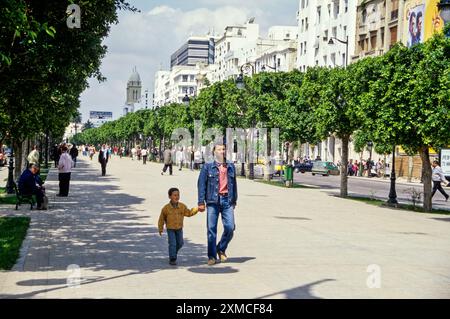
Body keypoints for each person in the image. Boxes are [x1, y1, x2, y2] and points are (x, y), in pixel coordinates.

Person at [197, 142, 238, 266]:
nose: (222, 151)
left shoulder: (230, 166)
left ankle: (221, 248)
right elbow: (201, 184)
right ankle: (211, 256)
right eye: (219, 149)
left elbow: (234, 184)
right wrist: (200, 202)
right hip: (212, 201)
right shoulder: (207, 166)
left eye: (224, 149)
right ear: (214, 152)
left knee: (230, 227)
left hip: (227, 200)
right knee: (211, 229)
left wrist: (234, 200)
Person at [158, 188, 199, 265]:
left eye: (178, 195)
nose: (177, 197)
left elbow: (189, 213)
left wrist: (196, 209)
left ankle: (173, 252)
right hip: (170, 229)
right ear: (169, 197)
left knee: (180, 243)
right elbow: (161, 219)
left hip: (179, 228)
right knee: (172, 243)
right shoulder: (166, 208)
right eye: (174, 195)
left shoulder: (182, 206)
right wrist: (160, 228)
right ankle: (172, 258)